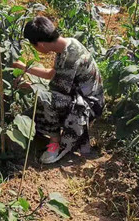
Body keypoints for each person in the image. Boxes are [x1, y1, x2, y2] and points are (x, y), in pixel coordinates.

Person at [12, 16, 104, 164]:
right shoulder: (67, 44)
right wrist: (24, 68)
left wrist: (28, 87)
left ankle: (57, 143)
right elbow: (51, 73)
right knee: (38, 106)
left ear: (41, 45)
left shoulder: (70, 57)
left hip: (89, 106)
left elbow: (53, 94)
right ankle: (48, 131)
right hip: (79, 96)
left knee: (47, 98)